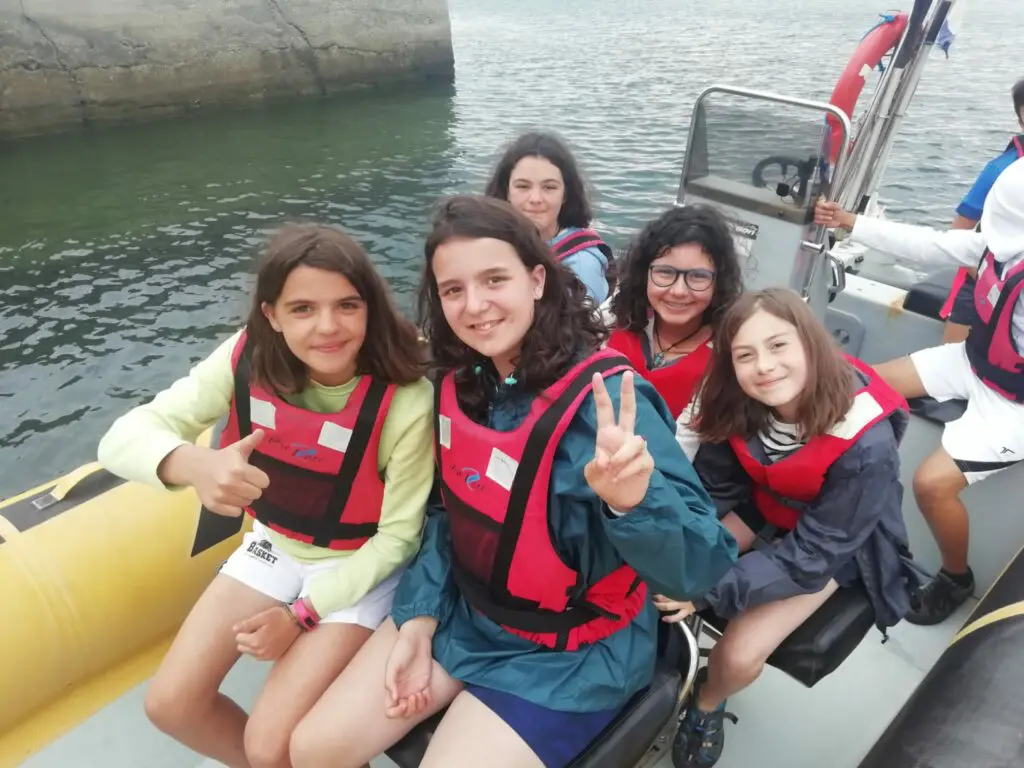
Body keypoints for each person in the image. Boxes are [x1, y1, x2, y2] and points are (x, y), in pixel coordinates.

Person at [288, 195, 737, 768]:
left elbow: (700, 565)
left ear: (537, 279)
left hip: (571, 651)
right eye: (454, 290)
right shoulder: (460, 383)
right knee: (312, 748)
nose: (475, 306)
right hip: (466, 614)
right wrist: (421, 615)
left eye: (494, 279)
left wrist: (633, 503)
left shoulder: (606, 405)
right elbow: (449, 513)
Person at [96, 224, 435, 768]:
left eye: (347, 305)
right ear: (271, 315)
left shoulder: (406, 400)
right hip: (275, 543)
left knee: (270, 743)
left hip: (358, 566)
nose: (328, 327)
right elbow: (120, 438)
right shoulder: (244, 357)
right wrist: (192, 463)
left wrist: (300, 617)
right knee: (170, 705)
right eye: (302, 309)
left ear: (370, 308)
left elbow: (396, 540)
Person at [658, 288, 914, 768]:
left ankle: (707, 703)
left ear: (809, 346)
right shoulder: (739, 403)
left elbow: (813, 554)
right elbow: (713, 484)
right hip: (766, 505)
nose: (765, 366)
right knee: (666, 568)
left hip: (832, 545)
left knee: (737, 655)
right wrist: (675, 537)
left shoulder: (867, 447)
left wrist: (709, 590)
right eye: (746, 355)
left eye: (778, 346)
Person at [814, 157, 1024, 624]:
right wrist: (851, 223)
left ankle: (955, 577)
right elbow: (929, 244)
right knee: (852, 386)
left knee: (932, 484)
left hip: (1015, 405)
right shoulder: (999, 246)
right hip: (973, 363)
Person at [607, 205, 743, 420]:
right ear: (644, 274)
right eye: (665, 272)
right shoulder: (611, 317)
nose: (679, 291)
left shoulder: (726, 357)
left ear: (719, 282)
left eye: (698, 276)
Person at [935, 77, 1024, 343]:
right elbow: (958, 233)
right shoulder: (1000, 170)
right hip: (987, 284)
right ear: (1021, 121)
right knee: (951, 368)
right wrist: (994, 285)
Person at [485, 131, 615, 304]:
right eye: (523, 186)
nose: (535, 199)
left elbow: (581, 329)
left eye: (549, 187)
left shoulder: (582, 266)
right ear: (506, 191)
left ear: (565, 195)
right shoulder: (491, 242)